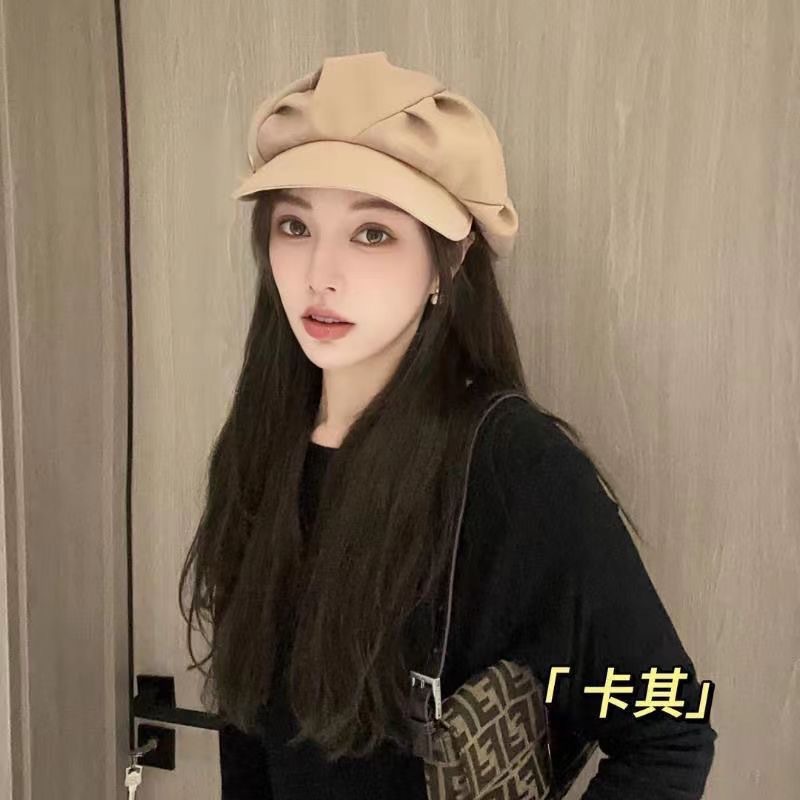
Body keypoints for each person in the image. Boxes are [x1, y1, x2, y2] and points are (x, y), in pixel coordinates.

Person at [178, 52, 717, 799]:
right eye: (294, 224)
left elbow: (671, 726)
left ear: (448, 261)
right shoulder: (259, 449)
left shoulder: (512, 468)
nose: (319, 273)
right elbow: (249, 735)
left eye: (372, 233)